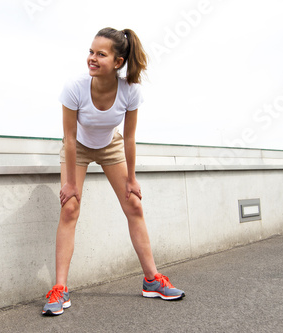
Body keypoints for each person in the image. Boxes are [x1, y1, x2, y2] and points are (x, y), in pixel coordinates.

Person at [42, 27, 185, 316]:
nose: (92, 58)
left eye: (100, 54)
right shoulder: (75, 87)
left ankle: (152, 280)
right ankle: (59, 289)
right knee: (69, 208)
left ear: (118, 62)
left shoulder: (131, 92)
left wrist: (131, 178)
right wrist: (70, 183)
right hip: (77, 147)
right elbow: (69, 138)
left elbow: (129, 138)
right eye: (90, 52)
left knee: (134, 204)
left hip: (110, 146)